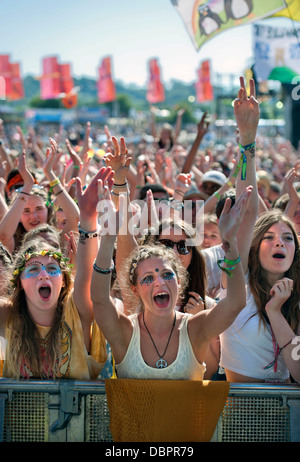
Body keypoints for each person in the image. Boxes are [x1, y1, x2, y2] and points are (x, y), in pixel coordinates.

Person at [90, 172, 252, 380]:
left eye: (167, 275)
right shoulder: (125, 331)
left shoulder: (195, 327)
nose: (159, 282)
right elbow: (100, 300)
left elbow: (236, 303)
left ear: (179, 281)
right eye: (148, 278)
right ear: (135, 290)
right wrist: (106, 240)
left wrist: (230, 243)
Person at [219, 77, 300, 384]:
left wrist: (277, 313)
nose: (279, 242)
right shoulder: (236, 283)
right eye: (268, 237)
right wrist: (247, 140)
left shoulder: (298, 298)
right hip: (240, 421)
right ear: (254, 246)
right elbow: (247, 203)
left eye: (287, 238)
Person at [0, 236, 107, 379]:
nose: (44, 275)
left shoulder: (76, 310)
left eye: (51, 268)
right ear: (20, 283)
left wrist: (89, 224)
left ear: (63, 280)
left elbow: (89, 276)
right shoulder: (6, 314)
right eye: (33, 269)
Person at [0, 139, 79, 254]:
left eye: (39, 208)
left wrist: (50, 174)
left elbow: (76, 220)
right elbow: (2, 236)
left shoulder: (57, 239)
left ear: (48, 209)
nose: (34, 216)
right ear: (19, 217)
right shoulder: (14, 245)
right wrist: (27, 185)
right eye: (26, 211)